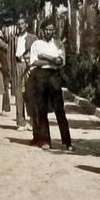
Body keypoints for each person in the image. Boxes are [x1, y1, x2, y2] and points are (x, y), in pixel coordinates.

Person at [26, 19, 72, 151]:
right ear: (42, 30)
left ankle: (67, 142)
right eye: (46, 29)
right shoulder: (37, 44)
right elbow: (33, 62)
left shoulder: (58, 44)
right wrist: (51, 59)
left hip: (54, 77)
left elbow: (60, 61)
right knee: (42, 109)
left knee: (59, 109)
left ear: (54, 30)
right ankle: (46, 140)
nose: (49, 32)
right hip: (40, 76)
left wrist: (46, 57)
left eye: (51, 29)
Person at [12, 20, 33, 130]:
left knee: (30, 94)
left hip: (29, 66)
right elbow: (10, 53)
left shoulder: (32, 38)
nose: (20, 26)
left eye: (22, 24)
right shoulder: (14, 38)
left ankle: (32, 122)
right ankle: (21, 122)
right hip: (17, 65)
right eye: (18, 24)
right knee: (18, 94)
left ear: (26, 25)